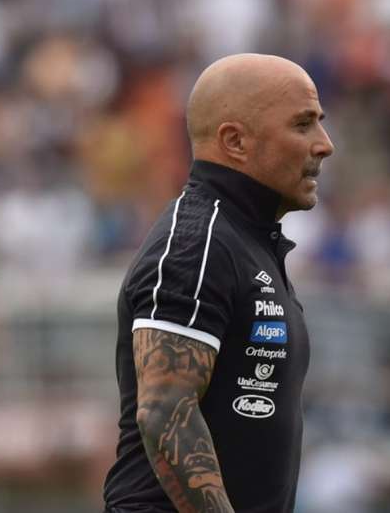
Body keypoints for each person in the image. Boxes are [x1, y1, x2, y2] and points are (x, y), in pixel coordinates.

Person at [103, 53, 335, 513]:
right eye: (303, 124)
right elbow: (165, 411)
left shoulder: (245, 241)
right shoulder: (196, 243)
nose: (324, 144)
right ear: (235, 141)